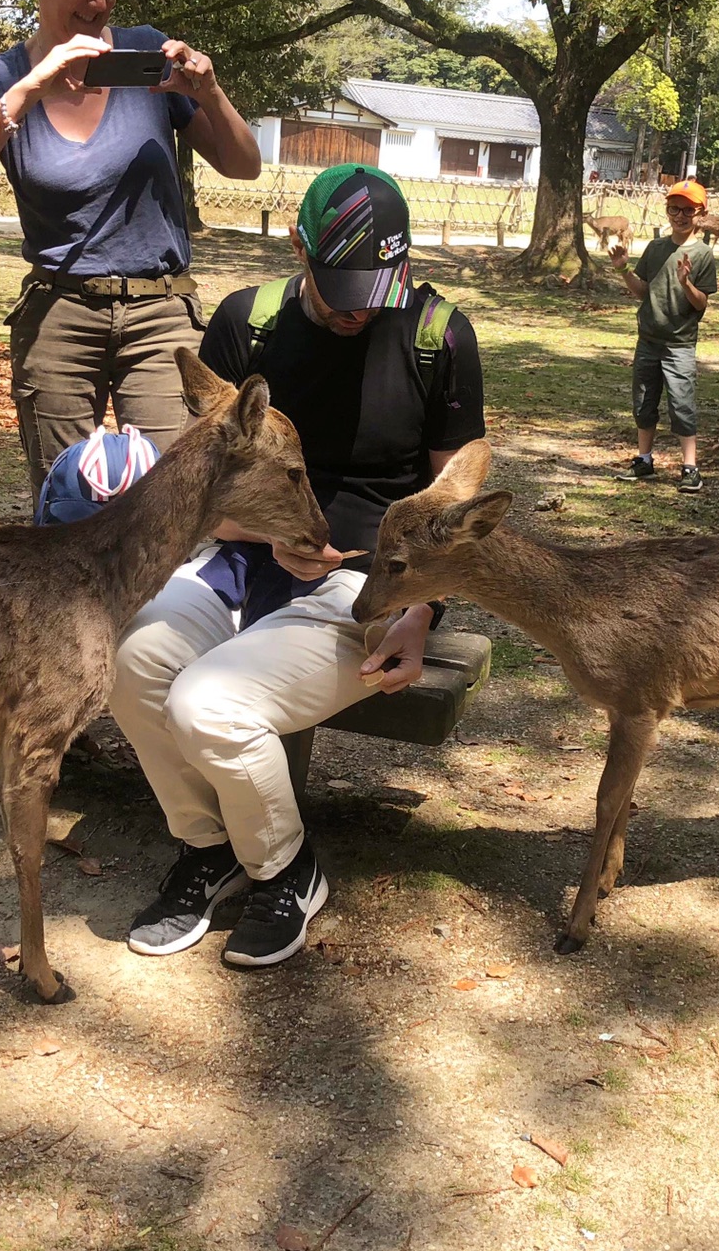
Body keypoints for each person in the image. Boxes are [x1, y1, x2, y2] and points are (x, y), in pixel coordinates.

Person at [110, 165, 486, 968]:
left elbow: (459, 493)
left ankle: (286, 869)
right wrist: (260, 530)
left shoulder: (437, 333)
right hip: (238, 560)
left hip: (363, 586)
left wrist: (421, 610)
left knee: (210, 703)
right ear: (298, 247)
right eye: (340, 286)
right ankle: (208, 849)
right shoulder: (249, 324)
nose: (356, 309)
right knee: (136, 659)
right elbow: (197, 488)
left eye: (374, 289)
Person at [0, 0, 262, 499]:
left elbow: (244, 165)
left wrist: (209, 94)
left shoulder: (148, 56)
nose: (100, 3)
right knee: (67, 506)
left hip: (161, 315)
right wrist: (29, 90)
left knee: (169, 501)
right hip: (59, 317)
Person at [612, 179, 717, 494]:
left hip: (679, 345)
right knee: (643, 403)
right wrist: (622, 270)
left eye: (688, 210)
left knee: (681, 405)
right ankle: (644, 460)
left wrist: (686, 284)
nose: (680, 215)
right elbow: (643, 291)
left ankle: (690, 468)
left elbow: (702, 304)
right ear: (667, 210)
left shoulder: (702, 254)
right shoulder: (656, 248)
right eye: (675, 208)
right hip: (648, 340)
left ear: (701, 213)